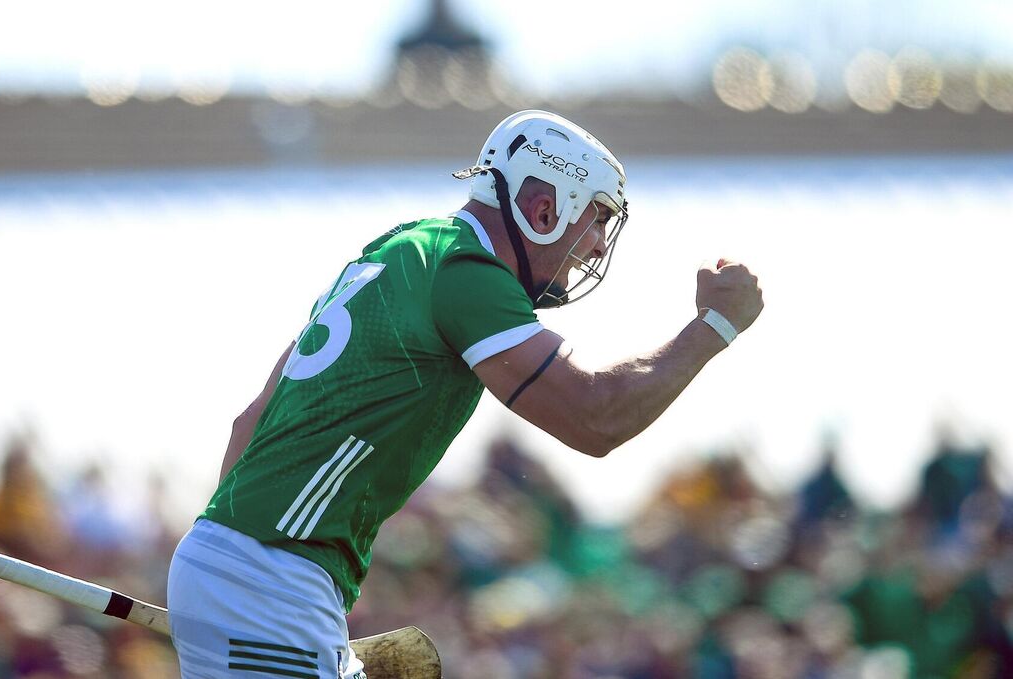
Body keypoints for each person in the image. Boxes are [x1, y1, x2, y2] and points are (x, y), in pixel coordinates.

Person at [167, 110, 764, 678]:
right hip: (271, 580)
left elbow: (249, 425)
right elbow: (595, 419)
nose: (597, 247)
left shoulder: (402, 248)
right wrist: (713, 328)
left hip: (241, 566)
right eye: (597, 222)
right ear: (543, 208)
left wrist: (220, 569)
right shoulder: (466, 272)